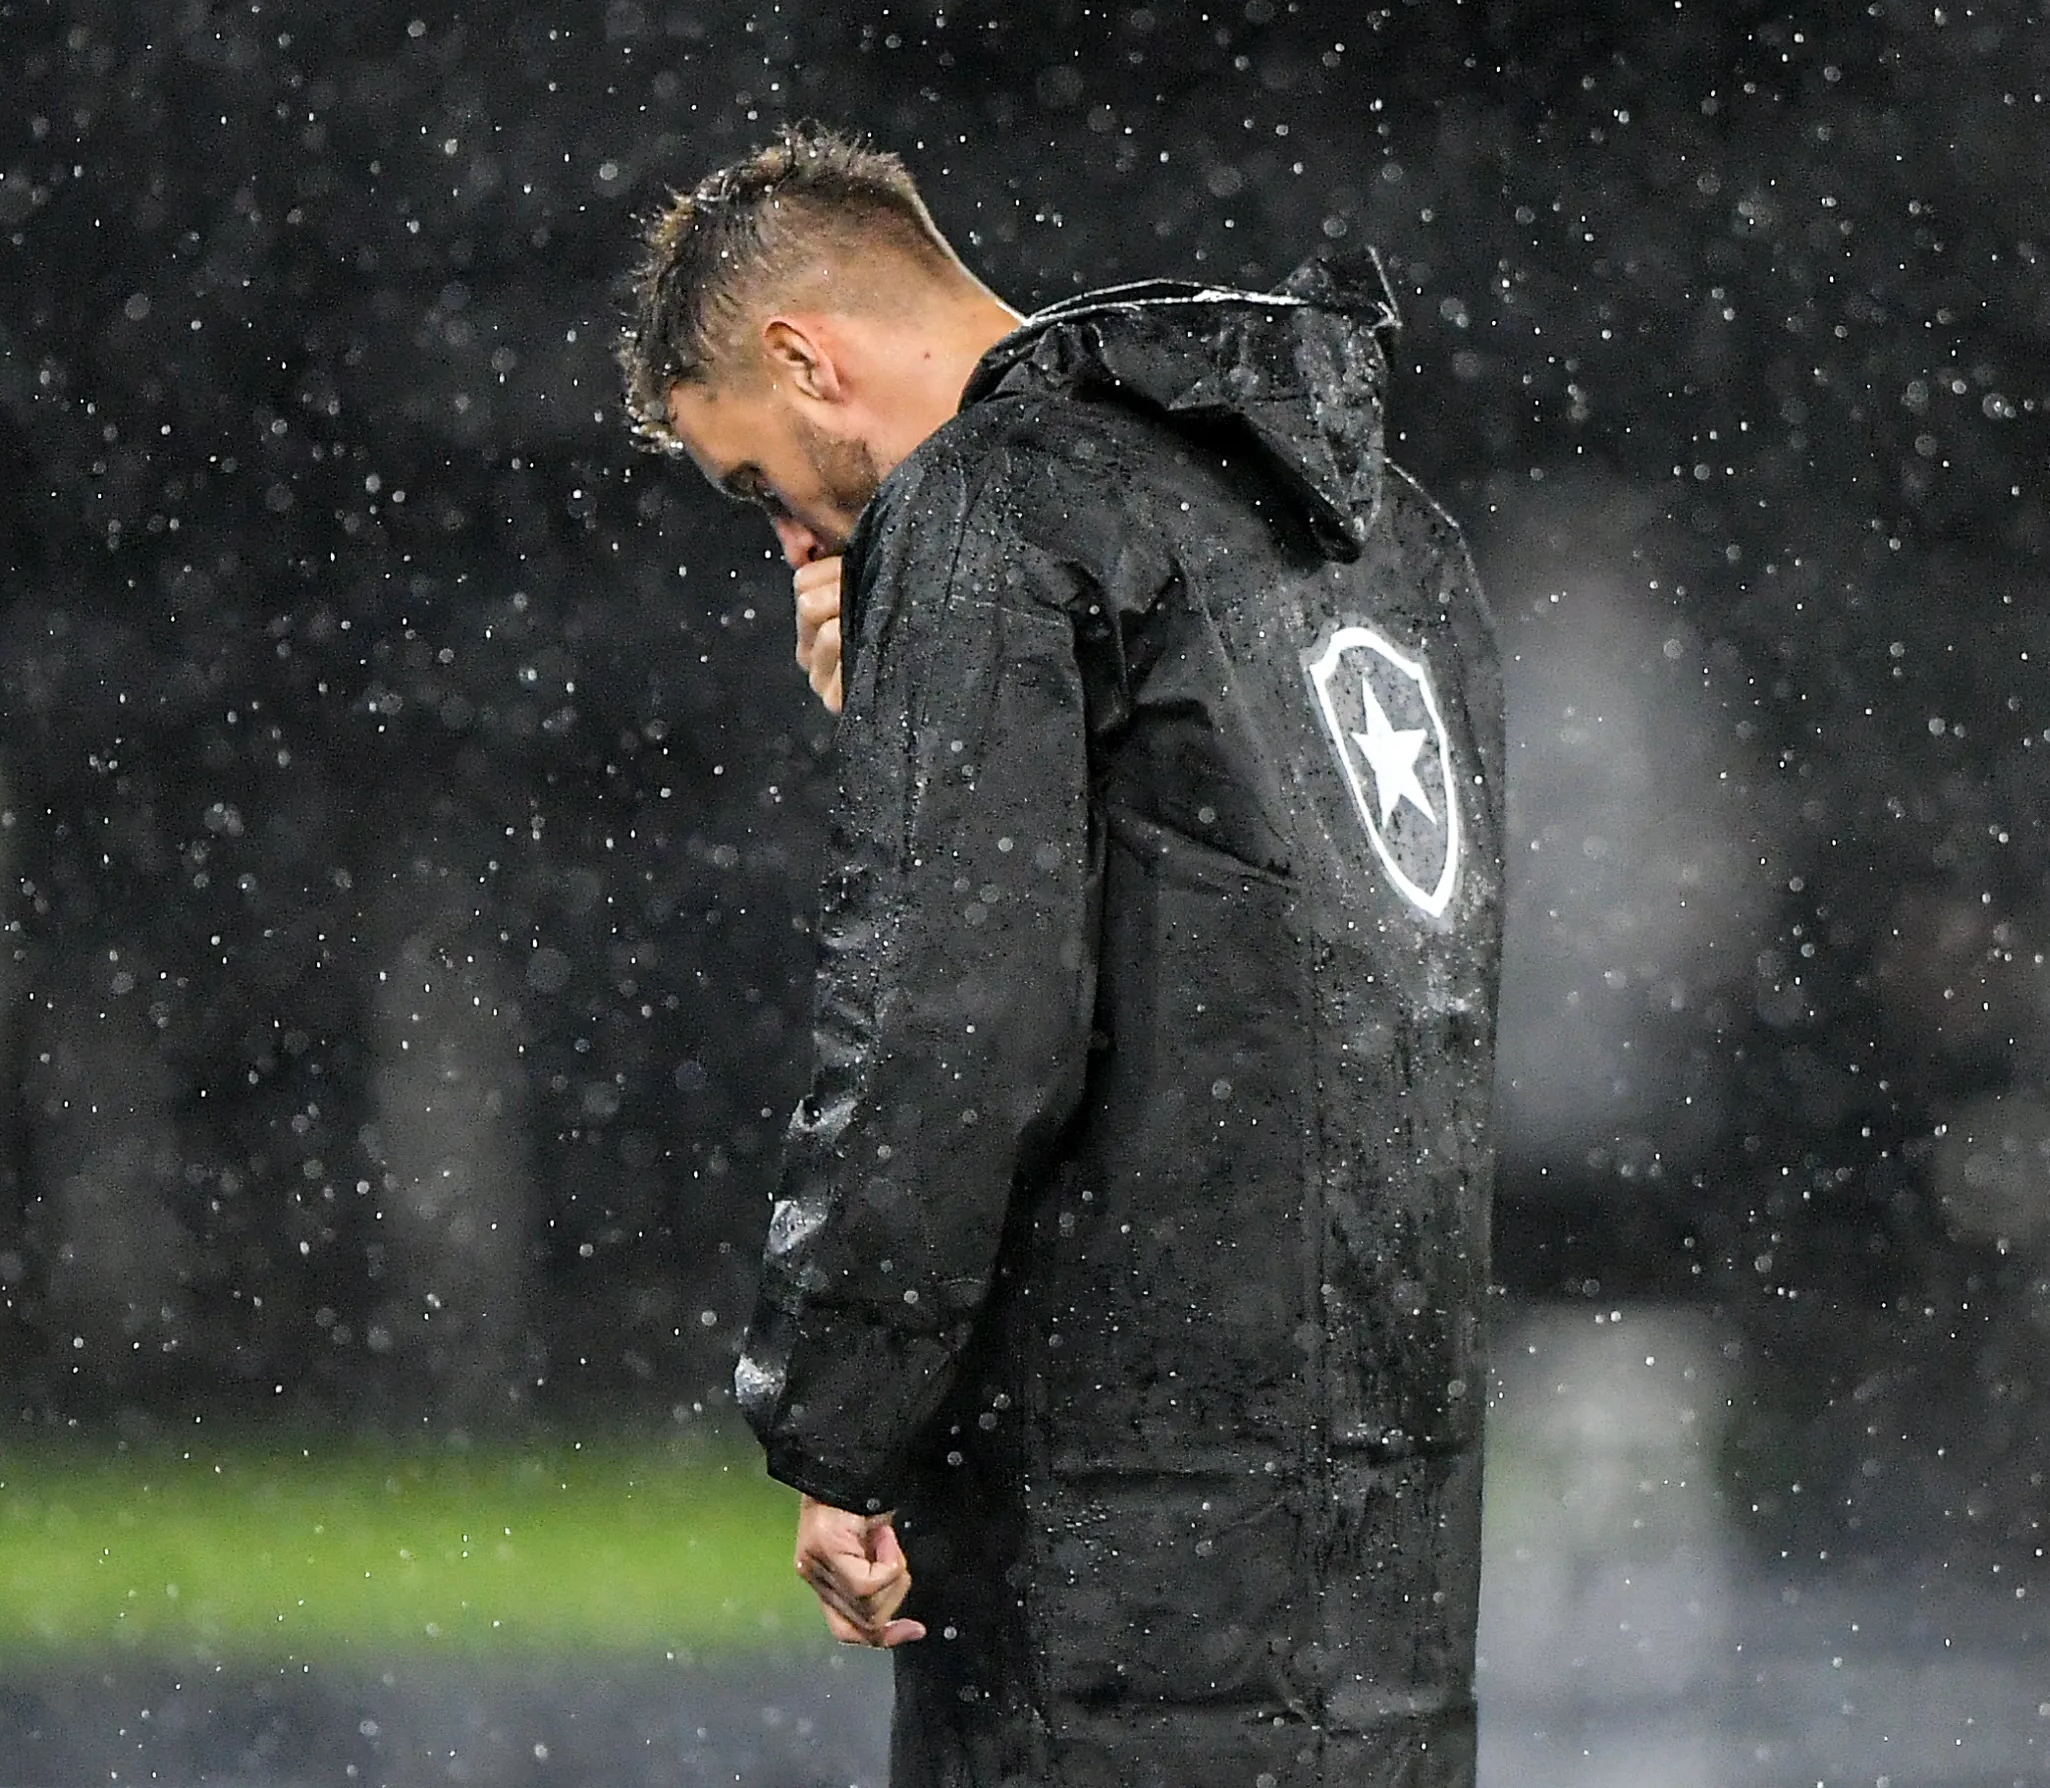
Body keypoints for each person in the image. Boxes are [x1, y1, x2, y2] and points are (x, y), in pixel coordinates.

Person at [617, 127, 1507, 1788]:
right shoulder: (1386, 543)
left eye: (761, 485)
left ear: (806, 358)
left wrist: (842, 1418)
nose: (796, 546)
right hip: (1384, 1589)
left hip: (1113, 1581)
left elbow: (956, 1024)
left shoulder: (986, 510)